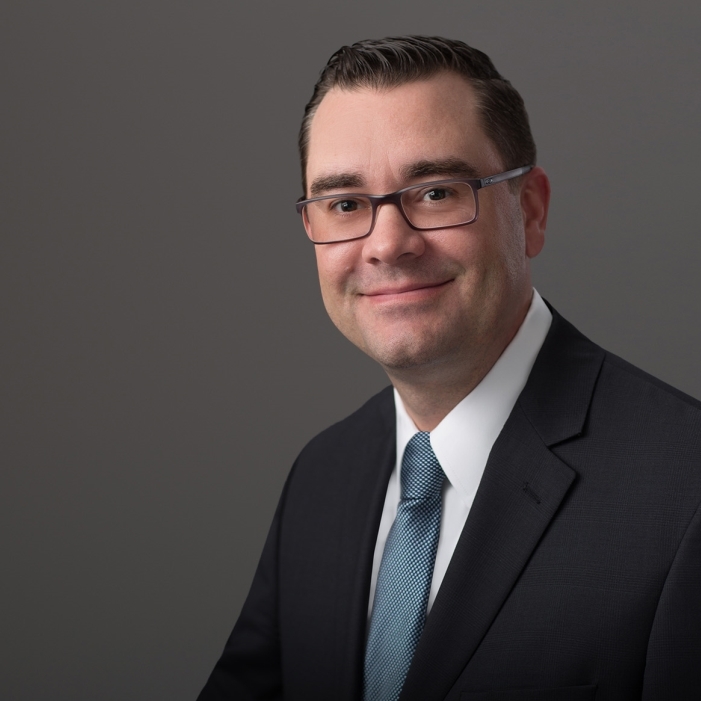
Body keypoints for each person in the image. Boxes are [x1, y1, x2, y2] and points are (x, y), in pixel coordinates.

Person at [197, 36, 701, 700]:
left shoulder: (684, 490)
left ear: (529, 210)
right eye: (344, 204)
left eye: (435, 192)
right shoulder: (324, 476)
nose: (386, 245)